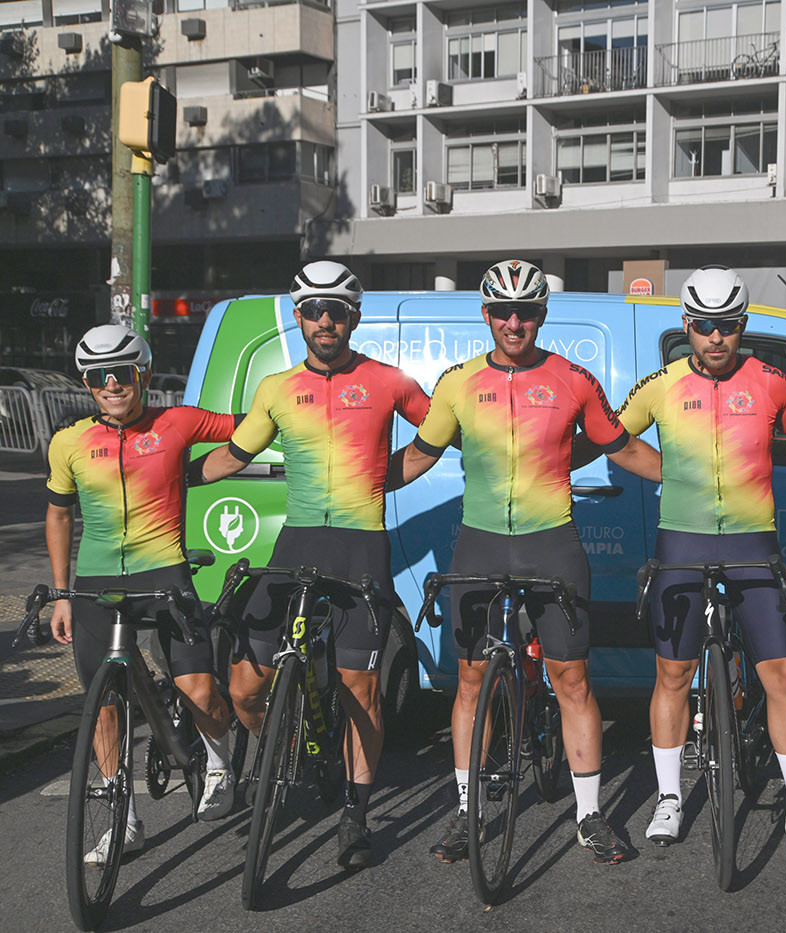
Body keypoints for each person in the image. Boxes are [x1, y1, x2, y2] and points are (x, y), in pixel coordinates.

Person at [391, 259, 660, 866]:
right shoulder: (458, 383)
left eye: (528, 311)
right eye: (504, 311)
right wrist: (356, 486)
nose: (515, 322)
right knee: (470, 679)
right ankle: (466, 814)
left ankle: (590, 816)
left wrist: (695, 479)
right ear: (485, 315)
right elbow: (418, 456)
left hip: (552, 542)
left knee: (572, 679)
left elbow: (623, 447)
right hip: (480, 542)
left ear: (543, 315)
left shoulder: (573, 379)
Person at [604, 266, 786, 854]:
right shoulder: (660, 386)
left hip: (754, 545)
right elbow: (616, 441)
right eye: (704, 326)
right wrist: (670, 474)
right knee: (673, 674)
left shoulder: (772, 382)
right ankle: (671, 798)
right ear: (687, 326)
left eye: (727, 326)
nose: (715, 338)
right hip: (682, 543)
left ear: (742, 325)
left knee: (780, 676)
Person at [196, 260, 431, 870]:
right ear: (299, 317)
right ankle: (287, 745)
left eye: (338, 310)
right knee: (247, 682)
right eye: (313, 310)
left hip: (361, 543)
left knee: (361, 687)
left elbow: (445, 431)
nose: (326, 320)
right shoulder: (275, 387)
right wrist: (172, 481)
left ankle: (355, 812)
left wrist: (387, 478)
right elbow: (233, 453)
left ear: (354, 317)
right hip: (297, 543)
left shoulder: (389, 381)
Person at [46, 324, 238, 865]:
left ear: (143, 375)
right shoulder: (69, 442)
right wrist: (62, 592)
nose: (110, 386)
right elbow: (59, 514)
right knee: (104, 705)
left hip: (164, 575)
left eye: (121, 375)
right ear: (87, 384)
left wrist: (197, 472)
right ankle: (122, 820)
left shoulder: (177, 421)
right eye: (97, 378)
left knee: (200, 691)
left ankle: (221, 763)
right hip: (97, 584)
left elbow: (250, 431)